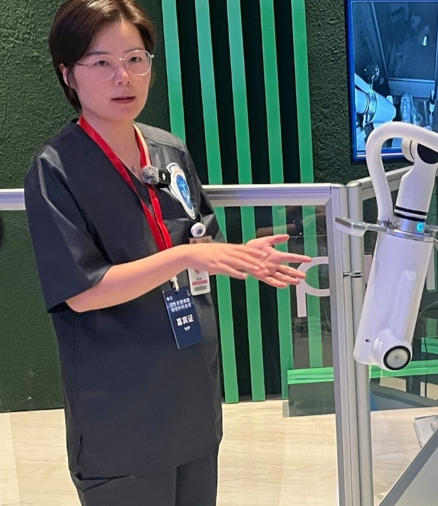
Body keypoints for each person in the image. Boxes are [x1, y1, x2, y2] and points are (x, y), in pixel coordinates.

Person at [23, 1, 311, 505]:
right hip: (121, 413)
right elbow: (83, 292)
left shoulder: (167, 151)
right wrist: (184, 259)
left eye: (135, 59)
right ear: (68, 73)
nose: (123, 76)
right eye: (101, 62)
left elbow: (198, 242)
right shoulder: (55, 170)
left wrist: (238, 257)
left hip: (192, 393)